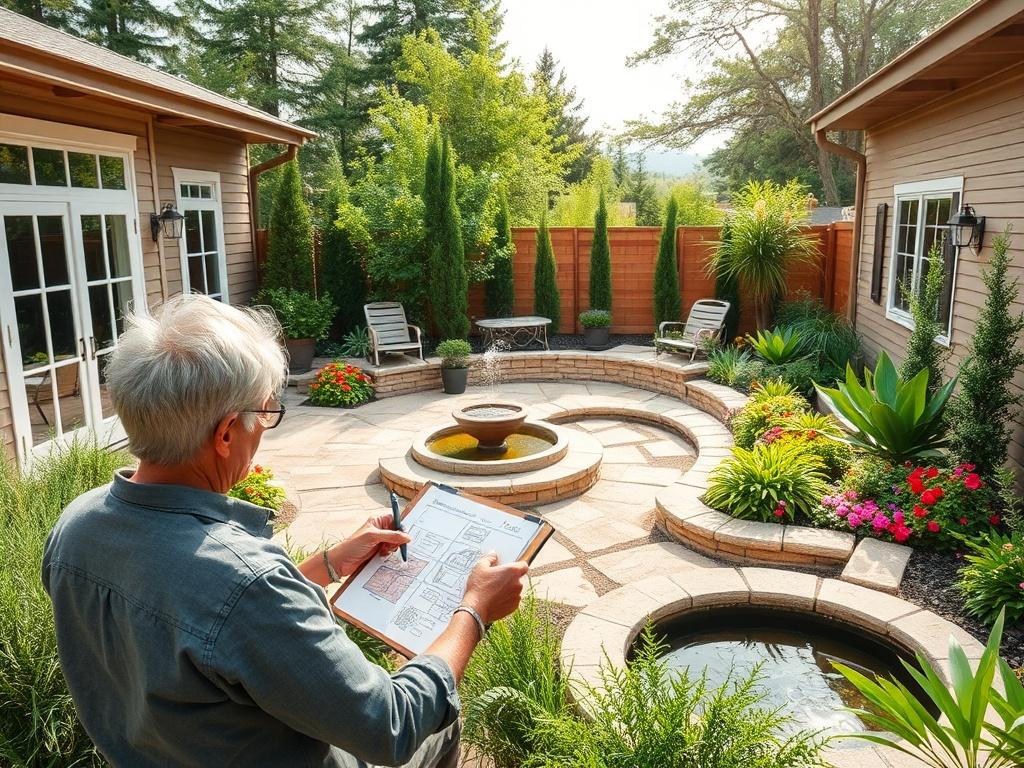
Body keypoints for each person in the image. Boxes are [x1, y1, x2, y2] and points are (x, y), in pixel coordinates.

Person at [42, 295, 529, 767]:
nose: (263, 434)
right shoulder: (246, 584)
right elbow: (390, 727)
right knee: (439, 719)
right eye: (266, 414)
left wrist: (329, 564)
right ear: (227, 432)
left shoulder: (76, 525)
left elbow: (203, 615)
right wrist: (475, 609)